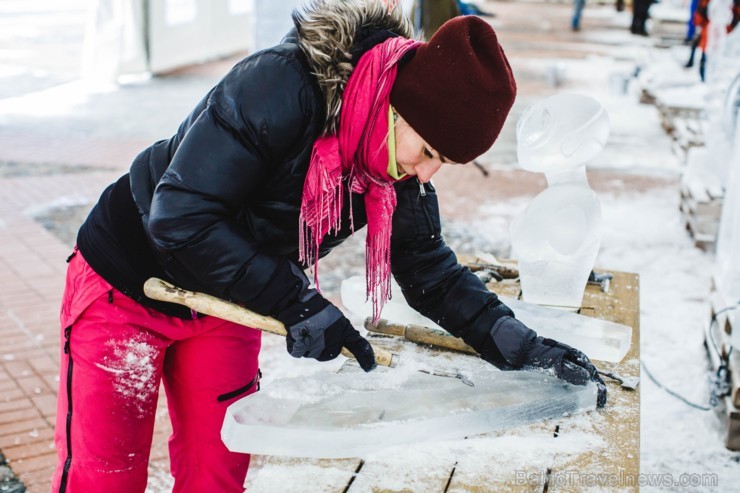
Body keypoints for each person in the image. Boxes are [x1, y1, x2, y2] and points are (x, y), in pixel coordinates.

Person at [52, 1, 607, 491]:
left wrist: (521, 345)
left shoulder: (395, 167)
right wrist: (298, 302)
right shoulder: (279, 87)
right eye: (429, 150)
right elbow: (182, 217)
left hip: (229, 300)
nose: (427, 172)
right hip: (128, 283)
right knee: (105, 477)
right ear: (396, 105)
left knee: (216, 474)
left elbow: (428, 272)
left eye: (445, 163)